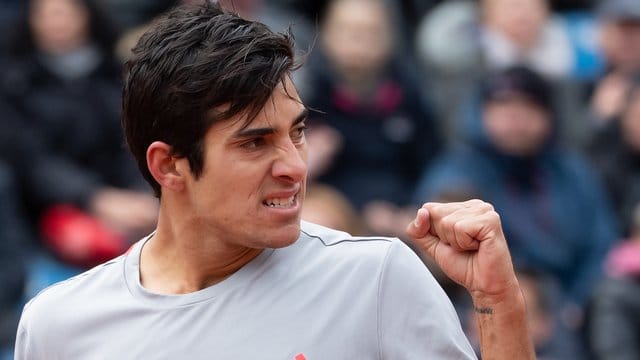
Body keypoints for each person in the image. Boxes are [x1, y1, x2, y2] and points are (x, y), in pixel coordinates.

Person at [15, 3, 534, 359]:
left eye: (298, 132)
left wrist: (498, 301)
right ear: (169, 165)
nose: (295, 165)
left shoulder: (377, 277)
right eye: (254, 143)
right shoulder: (58, 325)